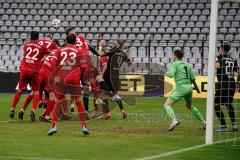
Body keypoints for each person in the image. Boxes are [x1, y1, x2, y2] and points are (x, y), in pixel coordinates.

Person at [47, 34, 89, 136]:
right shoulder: (79, 51)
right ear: (75, 41)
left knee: (58, 101)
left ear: (66, 41)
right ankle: (84, 126)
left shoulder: (59, 50)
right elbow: (84, 67)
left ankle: (54, 126)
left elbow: (52, 63)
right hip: (74, 78)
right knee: (79, 101)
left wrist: (55, 75)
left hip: (62, 78)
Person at [163, 50, 206, 131]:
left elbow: (171, 75)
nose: (172, 57)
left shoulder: (175, 63)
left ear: (175, 56)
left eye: (173, 55)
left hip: (181, 87)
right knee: (189, 106)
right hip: (189, 87)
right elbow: (193, 78)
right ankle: (204, 122)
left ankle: (174, 121)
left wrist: (164, 71)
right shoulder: (188, 65)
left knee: (167, 105)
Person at [9, 31, 45, 121]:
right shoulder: (41, 47)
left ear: (30, 37)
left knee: (20, 90)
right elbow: (49, 52)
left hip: (24, 69)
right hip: (34, 71)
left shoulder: (26, 45)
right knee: (36, 91)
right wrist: (42, 58)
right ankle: (33, 110)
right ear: (38, 37)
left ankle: (12, 108)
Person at [98, 39, 132, 119]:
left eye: (115, 42)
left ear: (118, 44)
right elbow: (130, 62)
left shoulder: (113, 51)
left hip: (108, 75)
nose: (114, 43)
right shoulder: (123, 54)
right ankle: (122, 110)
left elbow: (101, 54)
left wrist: (100, 46)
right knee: (116, 94)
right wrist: (127, 53)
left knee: (103, 94)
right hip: (116, 76)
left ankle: (107, 113)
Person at [214, 44, 239, 132]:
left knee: (216, 104)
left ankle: (223, 126)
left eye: (220, 48)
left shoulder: (220, 57)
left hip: (223, 83)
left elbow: (216, 66)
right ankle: (234, 125)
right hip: (232, 83)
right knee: (228, 103)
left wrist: (211, 62)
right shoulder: (233, 59)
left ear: (222, 49)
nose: (219, 49)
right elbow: (238, 72)